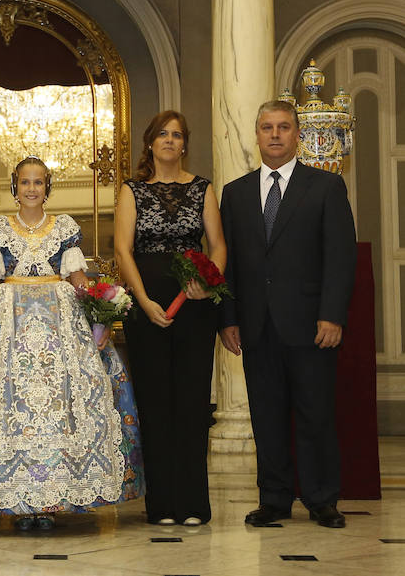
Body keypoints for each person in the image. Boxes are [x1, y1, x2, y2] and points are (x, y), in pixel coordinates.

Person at [0, 156, 143, 531]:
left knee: (59, 404)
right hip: (9, 327)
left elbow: (78, 280)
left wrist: (99, 314)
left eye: (38, 182)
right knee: (12, 403)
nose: (32, 189)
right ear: (14, 187)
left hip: (59, 325)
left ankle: (53, 497)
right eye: (25, 182)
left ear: (47, 188)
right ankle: (19, 500)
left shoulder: (65, 229)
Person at [219, 100, 356, 529]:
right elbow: (227, 264)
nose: (275, 135)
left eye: (283, 127)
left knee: (316, 414)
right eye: (266, 127)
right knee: (267, 416)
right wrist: (228, 318)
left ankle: (322, 499)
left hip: (312, 326)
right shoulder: (236, 193)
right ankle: (274, 498)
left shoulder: (325, 187)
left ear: (296, 134)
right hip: (257, 326)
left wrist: (332, 315)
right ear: (256, 135)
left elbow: (340, 258)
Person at [114, 111, 226, 526]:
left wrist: (206, 279)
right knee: (155, 403)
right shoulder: (132, 191)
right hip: (147, 308)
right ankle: (161, 505)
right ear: (150, 142)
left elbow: (218, 245)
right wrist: (142, 301)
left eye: (177, 135)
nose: (169, 140)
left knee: (193, 403)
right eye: (162, 133)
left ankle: (194, 504)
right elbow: (123, 251)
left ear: (184, 144)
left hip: (195, 306)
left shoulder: (202, 189)